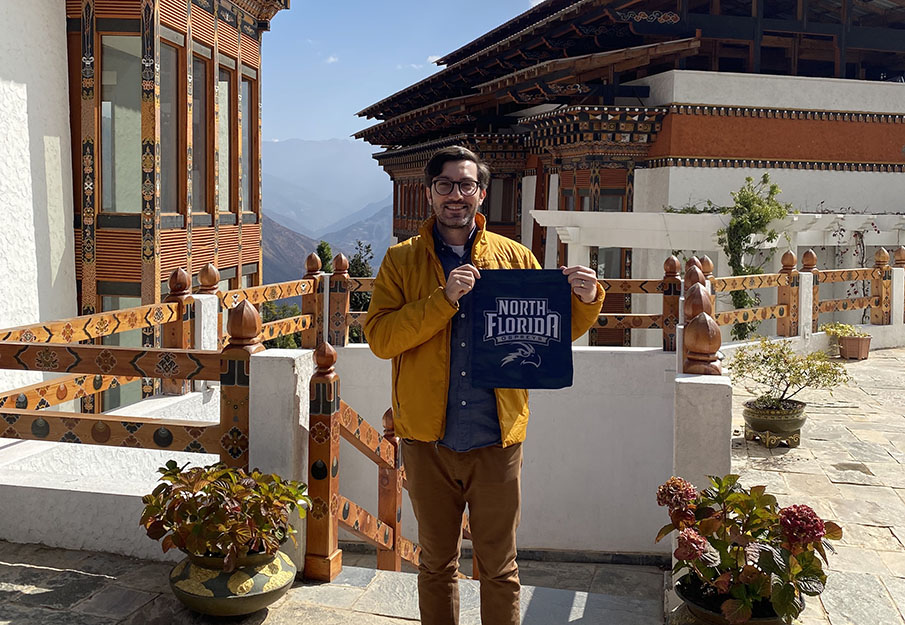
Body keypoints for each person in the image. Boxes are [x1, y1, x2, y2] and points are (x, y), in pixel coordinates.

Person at [364, 146, 604, 625]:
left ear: (482, 193)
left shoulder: (515, 257)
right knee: (436, 564)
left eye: (466, 185)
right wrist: (443, 298)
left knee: (499, 567)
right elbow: (380, 338)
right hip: (427, 440)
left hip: (498, 437)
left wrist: (587, 299)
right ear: (429, 192)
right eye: (446, 185)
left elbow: (549, 331)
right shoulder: (401, 261)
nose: (456, 195)